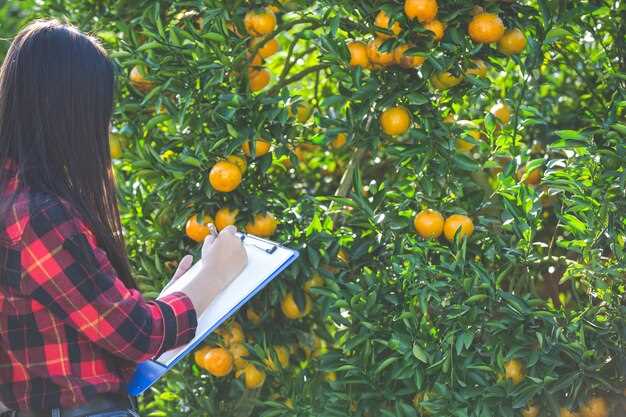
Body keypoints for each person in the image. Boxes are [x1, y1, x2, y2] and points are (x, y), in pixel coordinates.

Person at [0, 19, 248, 417]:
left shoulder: (15, 202)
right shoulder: (38, 217)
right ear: (69, 112)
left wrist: (172, 299)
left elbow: (95, 328)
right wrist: (214, 274)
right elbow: (137, 335)